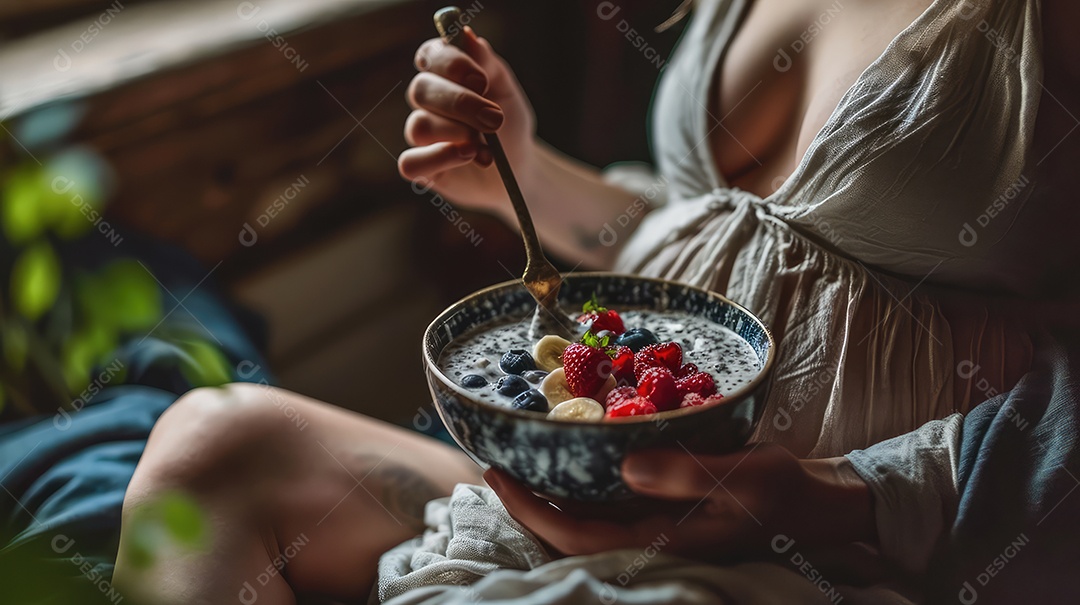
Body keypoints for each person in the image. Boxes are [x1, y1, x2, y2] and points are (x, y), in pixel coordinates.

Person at [6, 0, 1078, 603]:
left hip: (844, 543)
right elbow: (731, 230)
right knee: (211, 436)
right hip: (586, 484)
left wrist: (834, 495)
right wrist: (525, 170)